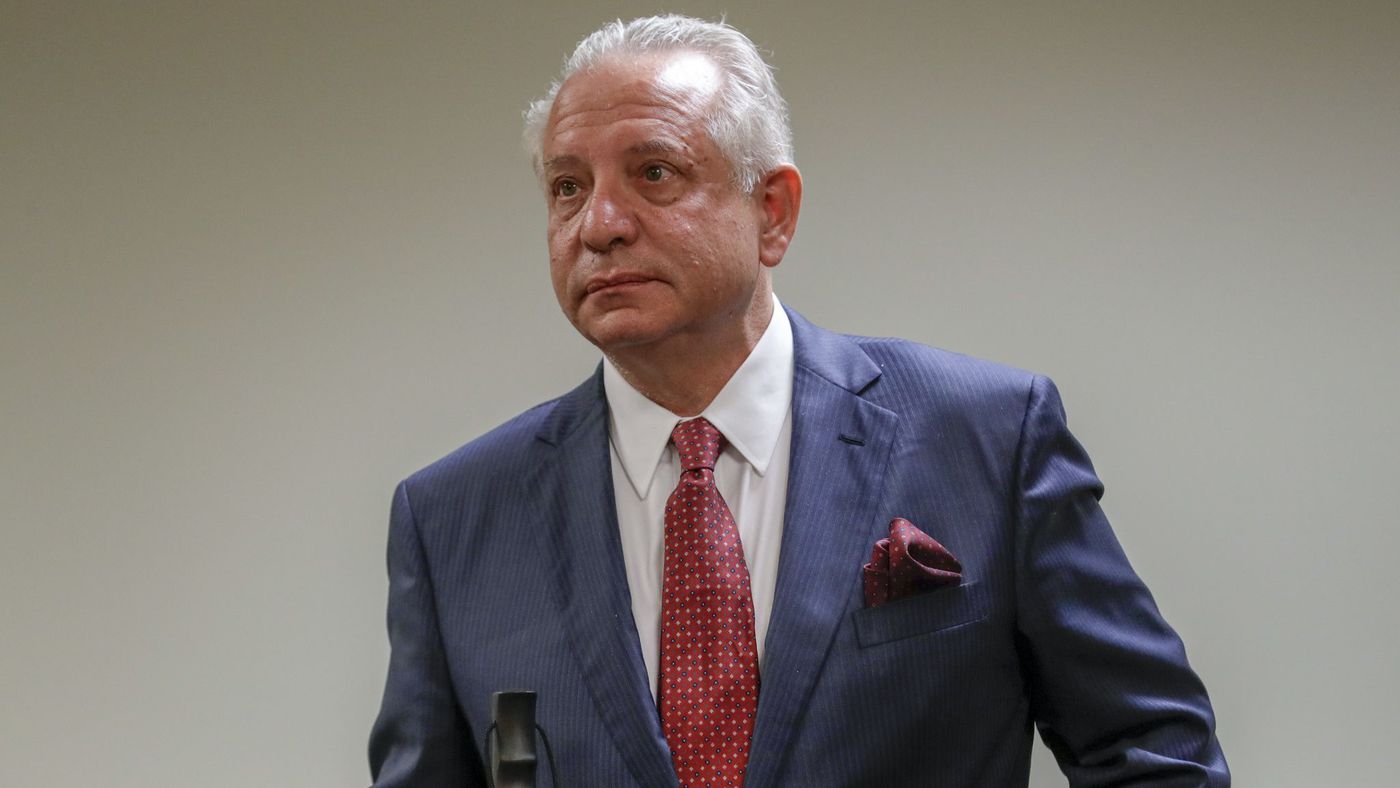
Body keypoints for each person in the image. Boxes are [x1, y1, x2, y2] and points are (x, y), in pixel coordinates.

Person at [368, 15, 1228, 787]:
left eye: (654, 172)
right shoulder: (451, 521)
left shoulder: (988, 441)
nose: (599, 224)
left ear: (772, 212)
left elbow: (1157, 759)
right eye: (566, 187)